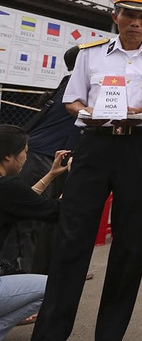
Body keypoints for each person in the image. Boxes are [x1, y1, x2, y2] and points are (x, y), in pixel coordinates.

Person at [12, 0, 142, 341]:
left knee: (130, 245)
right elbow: (74, 101)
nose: (134, 22)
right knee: (71, 243)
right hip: (94, 146)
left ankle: (108, 338)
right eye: (127, 14)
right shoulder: (91, 55)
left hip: (138, 149)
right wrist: (91, 110)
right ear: (114, 15)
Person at [0, 46, 80, 274]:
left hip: (42, 157)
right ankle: (25, 279)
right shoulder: (79, 88)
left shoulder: (66, 85)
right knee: (30, 223)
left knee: (33, 218)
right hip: (40, 156)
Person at [0, 125, 69, 341]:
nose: (26, 158)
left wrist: (50, 175)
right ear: (9, 156)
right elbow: (52, 212)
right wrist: (77, 184)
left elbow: (24, 200)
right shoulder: (8, 187)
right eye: (25, 152)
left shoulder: (7, 188)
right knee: (53, 286)